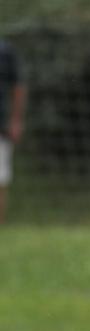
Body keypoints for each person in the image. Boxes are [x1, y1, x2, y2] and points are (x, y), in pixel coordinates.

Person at [0, 39, 25, 225]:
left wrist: (16, 121)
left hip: (0, 126)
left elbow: (18, 86)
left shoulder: (5, 51)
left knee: (1, 179)